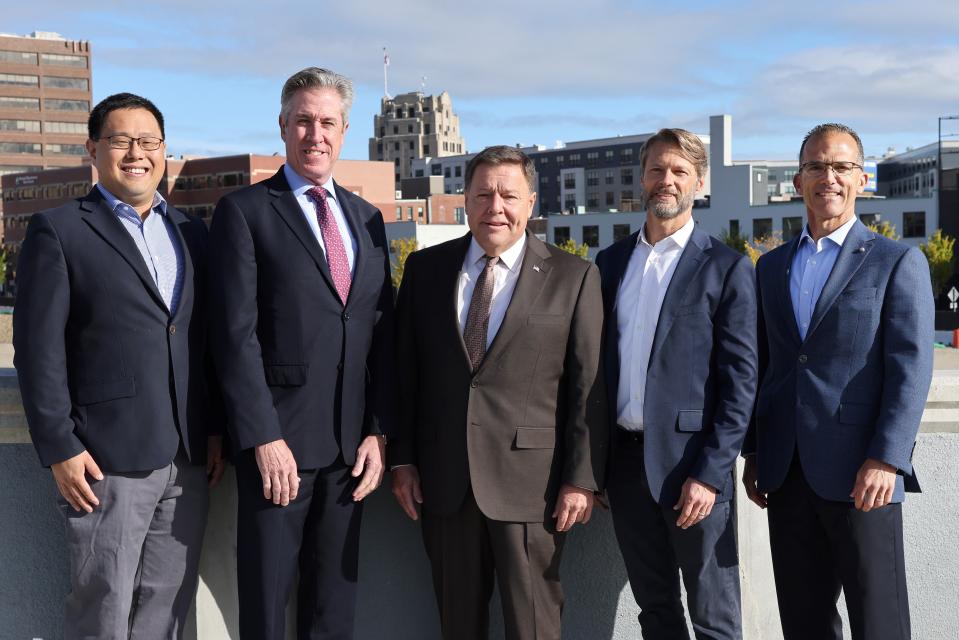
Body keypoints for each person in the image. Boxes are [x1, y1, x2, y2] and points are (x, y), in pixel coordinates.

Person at [13, 92, 224, 639]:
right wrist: (59, 445)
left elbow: (201, 341)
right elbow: (37, 349)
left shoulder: (191, 233)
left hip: (188, 454)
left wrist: (216, 429)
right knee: (103, 606)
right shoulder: (58, 229)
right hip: (104, 460)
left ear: (164, 151)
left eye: (149, 141)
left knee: (168, 608)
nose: (137, 153)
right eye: (121, 140)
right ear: (93, 148)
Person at [390, 145, 607, 640]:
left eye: (509, 195)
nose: (496, 207)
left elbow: (587, 386)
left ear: (531, 202)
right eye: (483, 194)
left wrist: (581, 478)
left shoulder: (574, 276)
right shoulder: (425, 271)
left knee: (533, 627)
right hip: (444, 484)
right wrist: (402, 459)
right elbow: (404, 375)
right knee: (457, 626)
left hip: (534, 488)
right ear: (465, 200)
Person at [208, 67, 395, 640]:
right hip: (279, 446)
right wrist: (262, 438)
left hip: (349, 453)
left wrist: (378, 432)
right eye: (305, 121)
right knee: (266, 605)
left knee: (333, 607)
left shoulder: (367, 218)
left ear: (344, 132)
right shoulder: (244, 211)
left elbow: (380, 333)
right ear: (284, 127)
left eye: (329, 123)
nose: (317, 134)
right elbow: (232, 336)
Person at [742, 123, 934, 640]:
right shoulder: (771, 267)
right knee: (804, 623)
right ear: (799, 180)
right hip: (786, 474)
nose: (829, 176)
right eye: (817, 167)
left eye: (842, 166)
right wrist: (756, 453)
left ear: (862, 178)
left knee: (880, 621)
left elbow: (911, 367)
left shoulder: (898, 262)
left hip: (863, 474)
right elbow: (767, 365)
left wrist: (888, 457)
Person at [595, 128, 757, 639]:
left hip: (694, 472)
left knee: (714, 618)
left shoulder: (726, 267)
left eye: (680, 171)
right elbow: (595, 368)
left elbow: (741, 383)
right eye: (657, 170)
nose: (667, 180)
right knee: (656, 613)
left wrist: (710, 474)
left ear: (700, 183)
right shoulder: (610, 263)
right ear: (642, 178)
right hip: (623, 468)